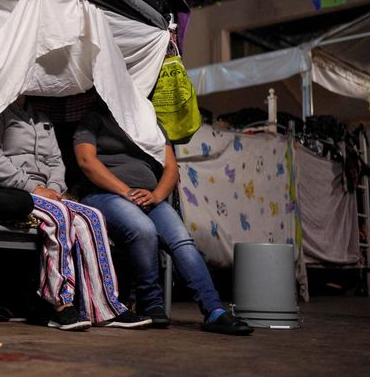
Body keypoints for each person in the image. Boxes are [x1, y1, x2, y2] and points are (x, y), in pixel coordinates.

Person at [0, 95, 151, 331]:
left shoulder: (42, 119)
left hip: (48, 193)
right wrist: (33, 188)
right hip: (11, 191)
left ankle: (104, 307)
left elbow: (56, 162)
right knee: (59, 215)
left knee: (91, 216)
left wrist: (54, 190)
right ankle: (57, 303)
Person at [73, 102, 253, 335]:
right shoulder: (94, 118)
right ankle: (151, 301)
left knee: (182, 240)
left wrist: (156, 195)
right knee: (143, 229)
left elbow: (171, 168)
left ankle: (214, 310)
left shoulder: (151, 123)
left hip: (148, 197)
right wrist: (126, 191)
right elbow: (86, 161)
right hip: (105, 194)